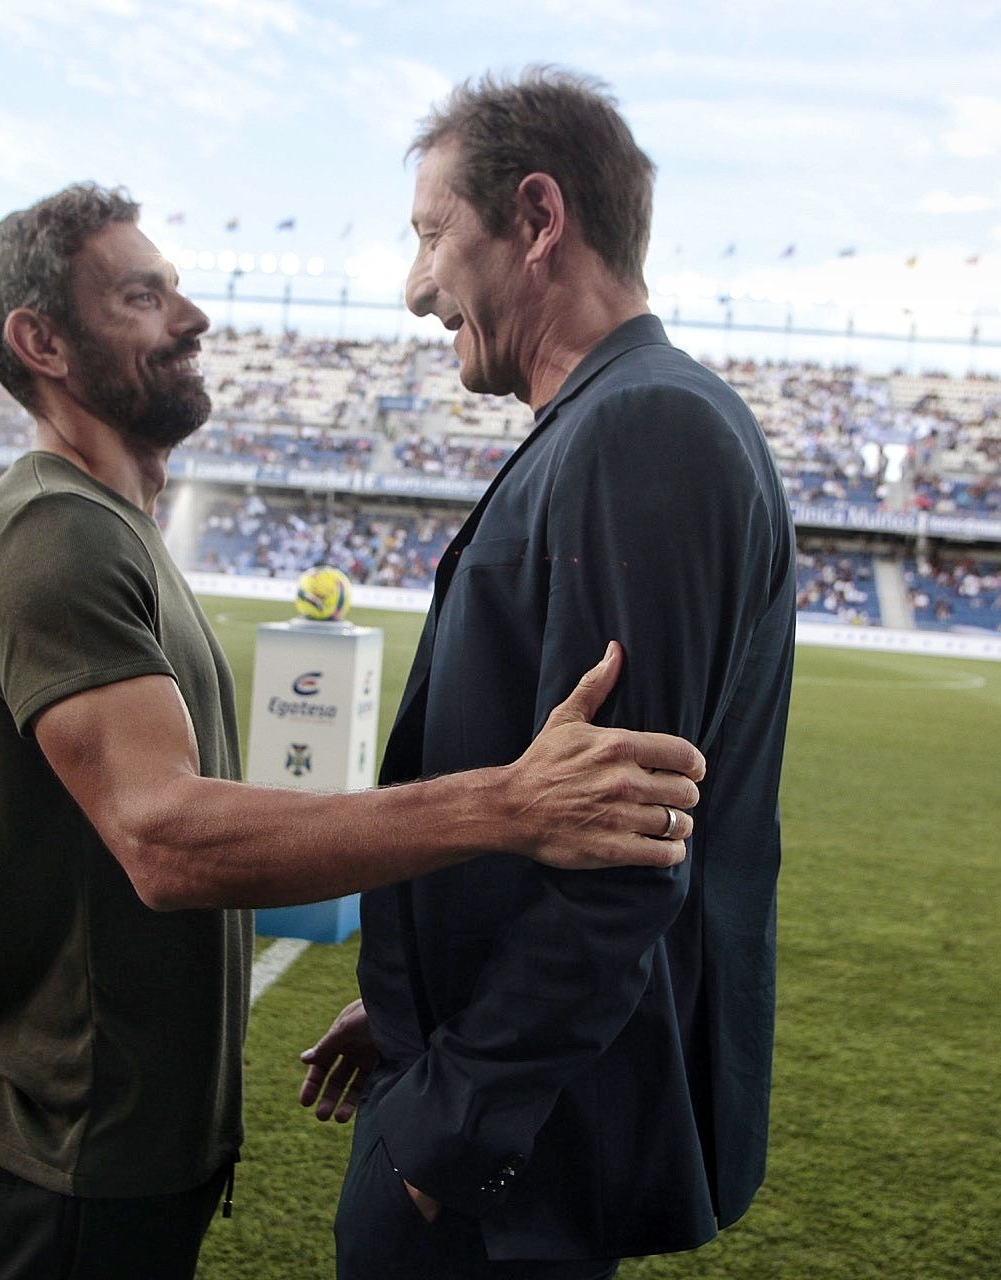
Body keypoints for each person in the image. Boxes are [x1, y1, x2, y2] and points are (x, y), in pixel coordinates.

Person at [0, 182, 708, 1280]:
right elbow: (164, 837)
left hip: (124, 1147)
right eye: (144, 297)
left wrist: (403, 998)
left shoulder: (111, 527)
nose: (192, 317)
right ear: (42, 341)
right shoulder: (55, 536)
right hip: (62, 1160)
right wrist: (508, 804)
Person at [300, 68, 796, 1278]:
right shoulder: (611, 419)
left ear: (537, 218)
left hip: (508, 1167)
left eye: (430, 235)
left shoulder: (647, 428)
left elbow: (620, 853)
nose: (416, 286)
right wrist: (419, 995)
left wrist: (444, 1125)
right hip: (492, 1100)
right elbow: (542, 783)